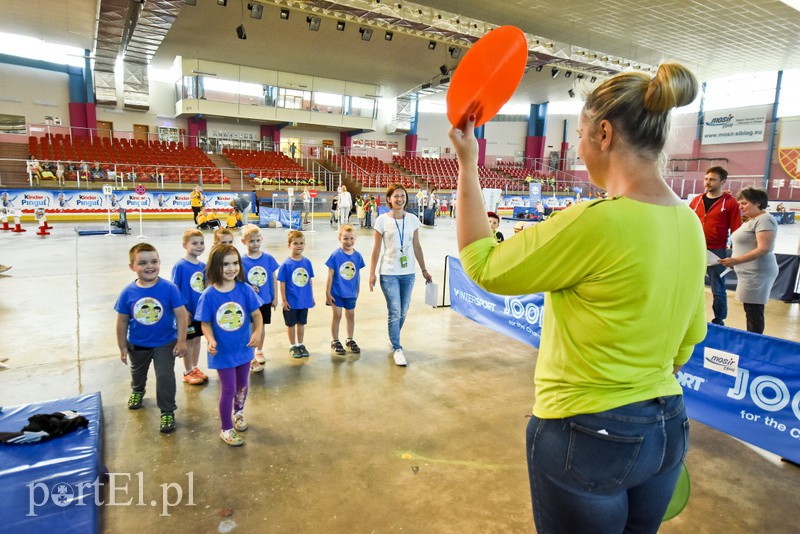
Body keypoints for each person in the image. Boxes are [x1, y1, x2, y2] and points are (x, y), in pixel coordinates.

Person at [450, 63, 706, 532]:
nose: (578, 149)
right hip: (667, 429)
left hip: (588, 433)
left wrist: (468, 164)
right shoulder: (690, 222)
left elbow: (484, 265)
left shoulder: (596, 220)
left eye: (581, 135)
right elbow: (689, 339)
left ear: (604, 134)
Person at [115, 243, 188, 434]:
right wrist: (122, 346)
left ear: (159, 263)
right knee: (137, 372)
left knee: (165, 376)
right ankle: (138, 389)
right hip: (138, 343)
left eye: (154, 261)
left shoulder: (170, 288)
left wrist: (182, 340)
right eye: (142, 263)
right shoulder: (128, 292)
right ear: (132, 267)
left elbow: (182, 315)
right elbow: (122, 321)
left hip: (165, 343)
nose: (149, 266)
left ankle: (167, 410)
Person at [196, 244, 262, 446]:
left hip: (244, 349)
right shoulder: (209, 295)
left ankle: (238, 412)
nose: (232, 268)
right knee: (229, 389)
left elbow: (257, 314)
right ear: (215, 266)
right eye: (226, 264)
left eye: (235, 263)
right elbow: (205, 323)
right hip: (223, 352)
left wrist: (257, 332)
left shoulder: (245, 289)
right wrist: (211, 340)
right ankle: (226, 428)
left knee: (242, 385)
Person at [369, 183, 433, 366]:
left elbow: (417, 246)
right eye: (396, 196)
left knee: (403, 311)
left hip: (408, 273)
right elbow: (376, 249)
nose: (400, 199)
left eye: (402, 196)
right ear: (389, 199)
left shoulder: (412, 219)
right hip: (389, 273)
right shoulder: (381, 220)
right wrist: (372, 273)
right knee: (395, 310)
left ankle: (393, 338)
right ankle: (397, 347)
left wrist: (424, 269)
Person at [719, 188, 779, 333]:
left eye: (744, 203)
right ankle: (753, 338)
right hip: (748, 271)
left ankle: (755, 340)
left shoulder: (764, 219)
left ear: (758, 203)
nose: (740, 207)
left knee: (754, 311)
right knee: (751, 310)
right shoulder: (752, 219)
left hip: (757, 272)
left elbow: (764, 248)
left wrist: (736, 260)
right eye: (739, 203)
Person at [689, 166, 742, 326]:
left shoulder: (730, 203)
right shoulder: (696, 200)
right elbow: (688, 223)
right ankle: (691, 316)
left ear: (723, 181)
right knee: (692, 285)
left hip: (717, 251)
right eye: (706, 179)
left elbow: (736, 228)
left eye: (712, 179)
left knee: (718, 288)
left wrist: (734, 253)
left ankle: (719, 320)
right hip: (695, 248)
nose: (707, 182)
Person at [171, 229, 209, 386]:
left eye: (201, 243)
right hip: (187, 314)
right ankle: (187, 371)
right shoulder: (180, 266)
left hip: (199, 312)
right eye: (194, 243)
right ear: (184, 245)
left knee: (198, 340)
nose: (199, 246)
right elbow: (174, 289)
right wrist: (183, 310)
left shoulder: (203, 266)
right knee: (189, 341)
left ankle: (194, 367)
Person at [240, 224, 279, 372]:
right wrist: (248, 287)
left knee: (261, 327)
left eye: (258, 240)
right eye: (251, 241)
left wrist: (275, 297)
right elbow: (238, 281)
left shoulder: (268, 258)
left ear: (261, 240)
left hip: (265, 300)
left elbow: (273, 278)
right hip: (249, 302)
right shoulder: (241, 261)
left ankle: (259, 350)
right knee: (251, 327)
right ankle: (250, 354)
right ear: (244, 242)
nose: (255, 244)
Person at [325, 225, 366, 356]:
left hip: (351, 293)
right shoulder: (335, 255)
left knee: (350, 316)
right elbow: (330, 275)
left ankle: (350, 339)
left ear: (355, 238)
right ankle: (335, 340)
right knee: (337, 316)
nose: (349, 241)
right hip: (337, 292)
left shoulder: (357, 256)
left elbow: (357, 275)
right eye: (345, 238)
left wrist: (358, 290)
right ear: (340, 239)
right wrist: (327, 293)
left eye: (351, 238)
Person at [277, 230, 315, 359]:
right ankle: (293, 345)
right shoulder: (286, 264)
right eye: (295, 243)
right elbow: (282, 283)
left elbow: (309, 281)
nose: (299, 246)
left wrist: (311, 297)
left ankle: (300, 344)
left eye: (301, 243)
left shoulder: (307, 262)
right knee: (291, 324)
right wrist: (284, 300)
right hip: (291, 301)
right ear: (289, 245)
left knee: (301, 323)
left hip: (304, 300)